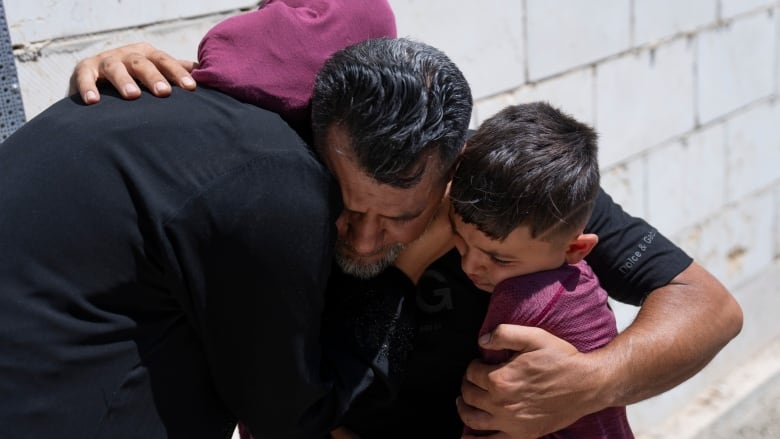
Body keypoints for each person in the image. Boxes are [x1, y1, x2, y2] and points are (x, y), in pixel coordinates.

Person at [69, 21, 743, 439]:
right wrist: (134, 82)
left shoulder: (513, 199)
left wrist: (592, 382)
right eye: (345, 206)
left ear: (457, 169)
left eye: (400, 214)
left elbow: (709, 305)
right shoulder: (294, 167)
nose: (362, 240)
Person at [0, 2, 446, 438]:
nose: (366, 240)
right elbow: (291, 417)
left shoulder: (151, 105)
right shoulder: (274, 172)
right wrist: (404, 273)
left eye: (397, 217)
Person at [445, 101, 633, 437]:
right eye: (458, 239)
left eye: (500, 259)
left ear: (576, 248)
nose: (470, 264)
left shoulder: (517, 301)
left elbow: (489, 412)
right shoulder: (583, 281)